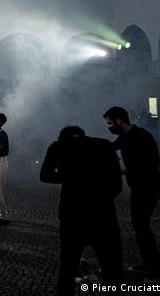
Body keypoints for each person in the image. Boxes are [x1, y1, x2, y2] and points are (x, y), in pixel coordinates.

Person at [40, 126, 123, 296]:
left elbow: (45, 176)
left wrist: (70, 178)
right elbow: (117, 184)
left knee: (68, 266)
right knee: (111, 264)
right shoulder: (105, 145)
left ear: (61, 137)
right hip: (103, 213)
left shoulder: (57, 147)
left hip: (72, 214)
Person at [104, 106, 160, 283]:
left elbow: (149, 164)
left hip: (149, 186)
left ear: (119, 121)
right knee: (139, 225)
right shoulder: (124, 137)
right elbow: (108, 148)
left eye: (109, 123)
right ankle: (148, 262)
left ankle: (157, 267)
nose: (109, 127)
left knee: (141, 226)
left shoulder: (141, 137)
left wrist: (115, 170)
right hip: (139, 186)